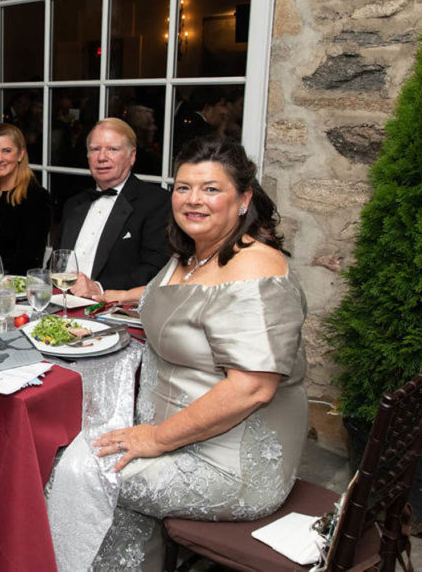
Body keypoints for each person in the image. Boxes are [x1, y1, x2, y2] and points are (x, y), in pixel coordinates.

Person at [48, 136, 308, 570]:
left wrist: (155, 439)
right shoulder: (193, 254)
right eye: (184, 187)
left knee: (72, 471)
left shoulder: (256, 268)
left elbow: (252, 389)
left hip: (226, 458)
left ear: (244, 200)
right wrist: (107, 295)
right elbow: (168, 299)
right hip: (175, 432)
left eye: (211, 188)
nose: (193, 199)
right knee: (61, 442)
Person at [58, 118, 170, 294]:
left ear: (132, 157)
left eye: (113, 149)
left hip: (112, 306)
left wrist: (99, 288)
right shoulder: (73, 204)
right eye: (95, 149)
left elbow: (155, 270)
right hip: (60, 300)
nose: (102, 157)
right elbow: (56, 263)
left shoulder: (156, 202)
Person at [0, 124, 52, 275]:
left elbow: (29, 260)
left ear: (21, 154)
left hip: (13, 284)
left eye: (6, 151)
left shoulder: (36, 198)